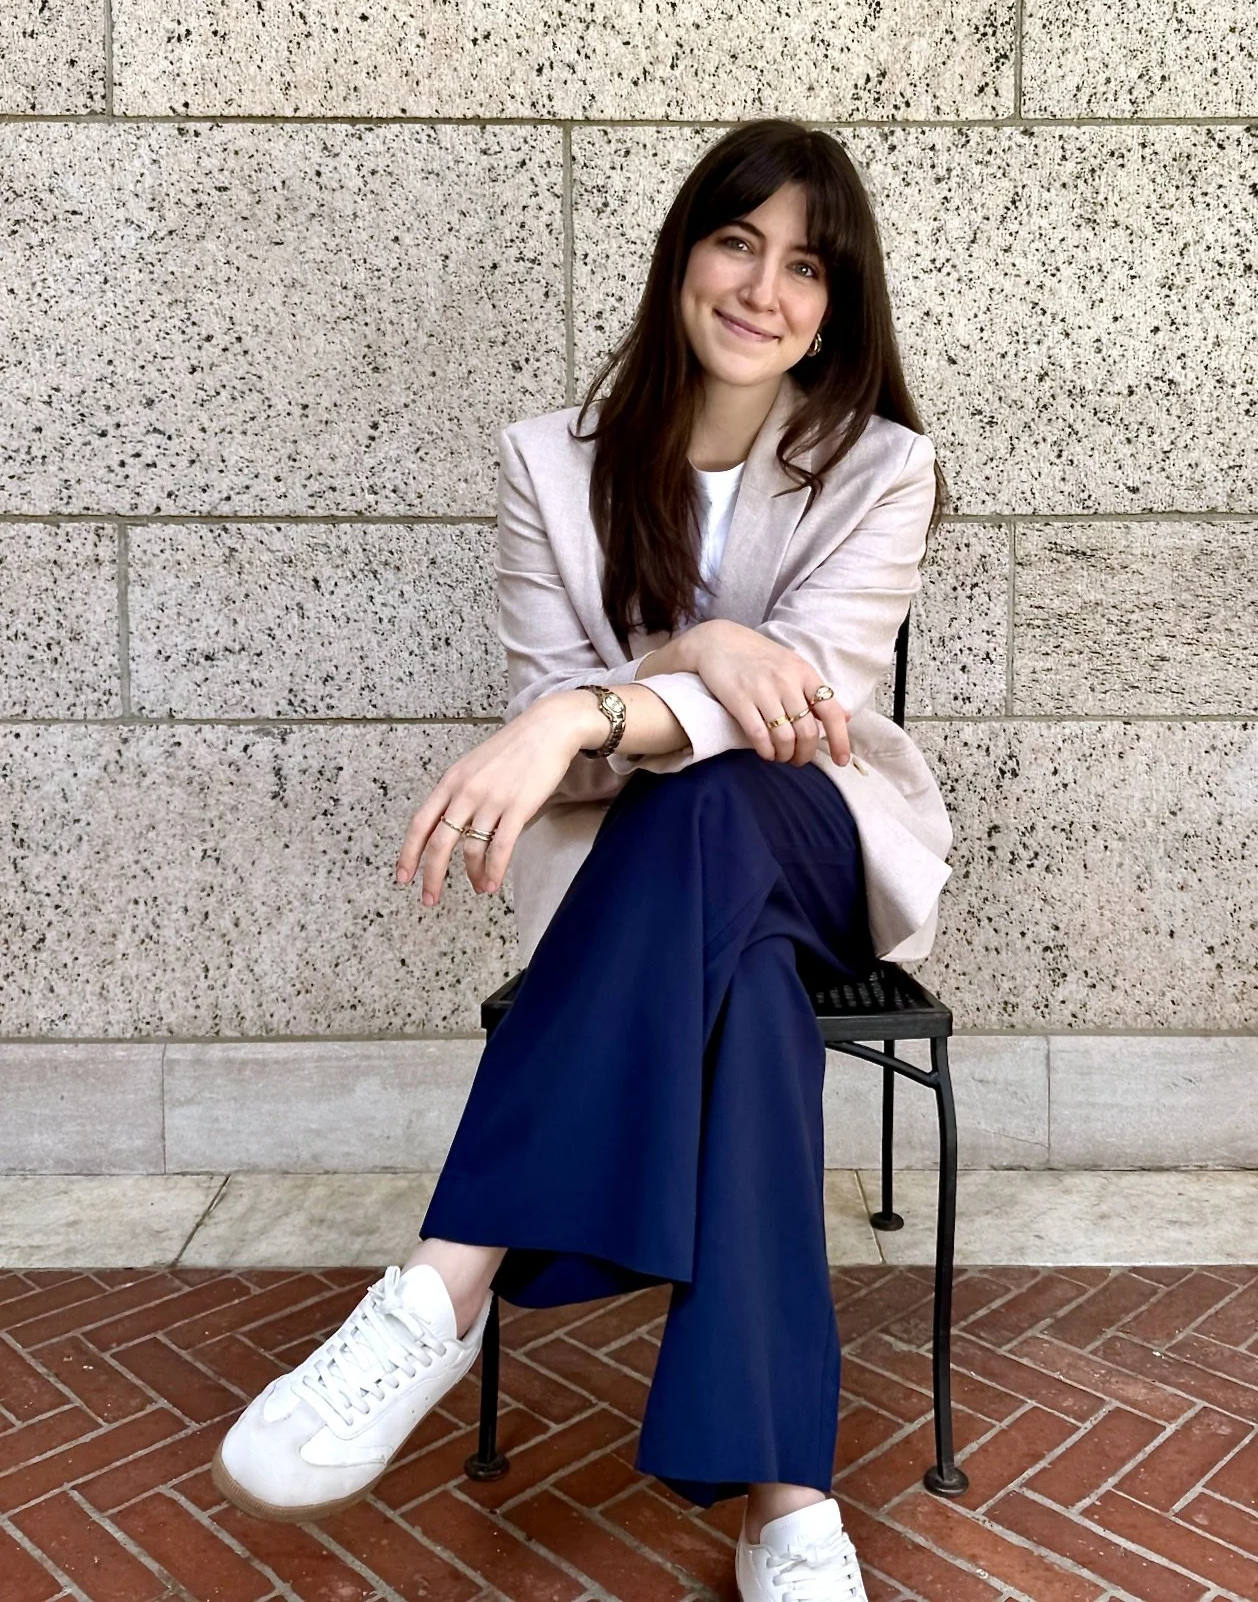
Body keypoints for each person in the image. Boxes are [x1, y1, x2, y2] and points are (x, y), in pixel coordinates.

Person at [212, 118, 953, 1602]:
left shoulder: (882, 467)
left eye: (806, 265)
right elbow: (603, 749)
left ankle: (444, 1282)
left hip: (816, 837)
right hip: (660, 885)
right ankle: (787, 1503)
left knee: (729, 800)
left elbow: (802, 713)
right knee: (739, 986)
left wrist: (607, 696)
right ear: (685, 252)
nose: (763, 288)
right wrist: (687, 661)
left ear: (837, 303)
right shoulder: (547, 467)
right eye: (738, 242)